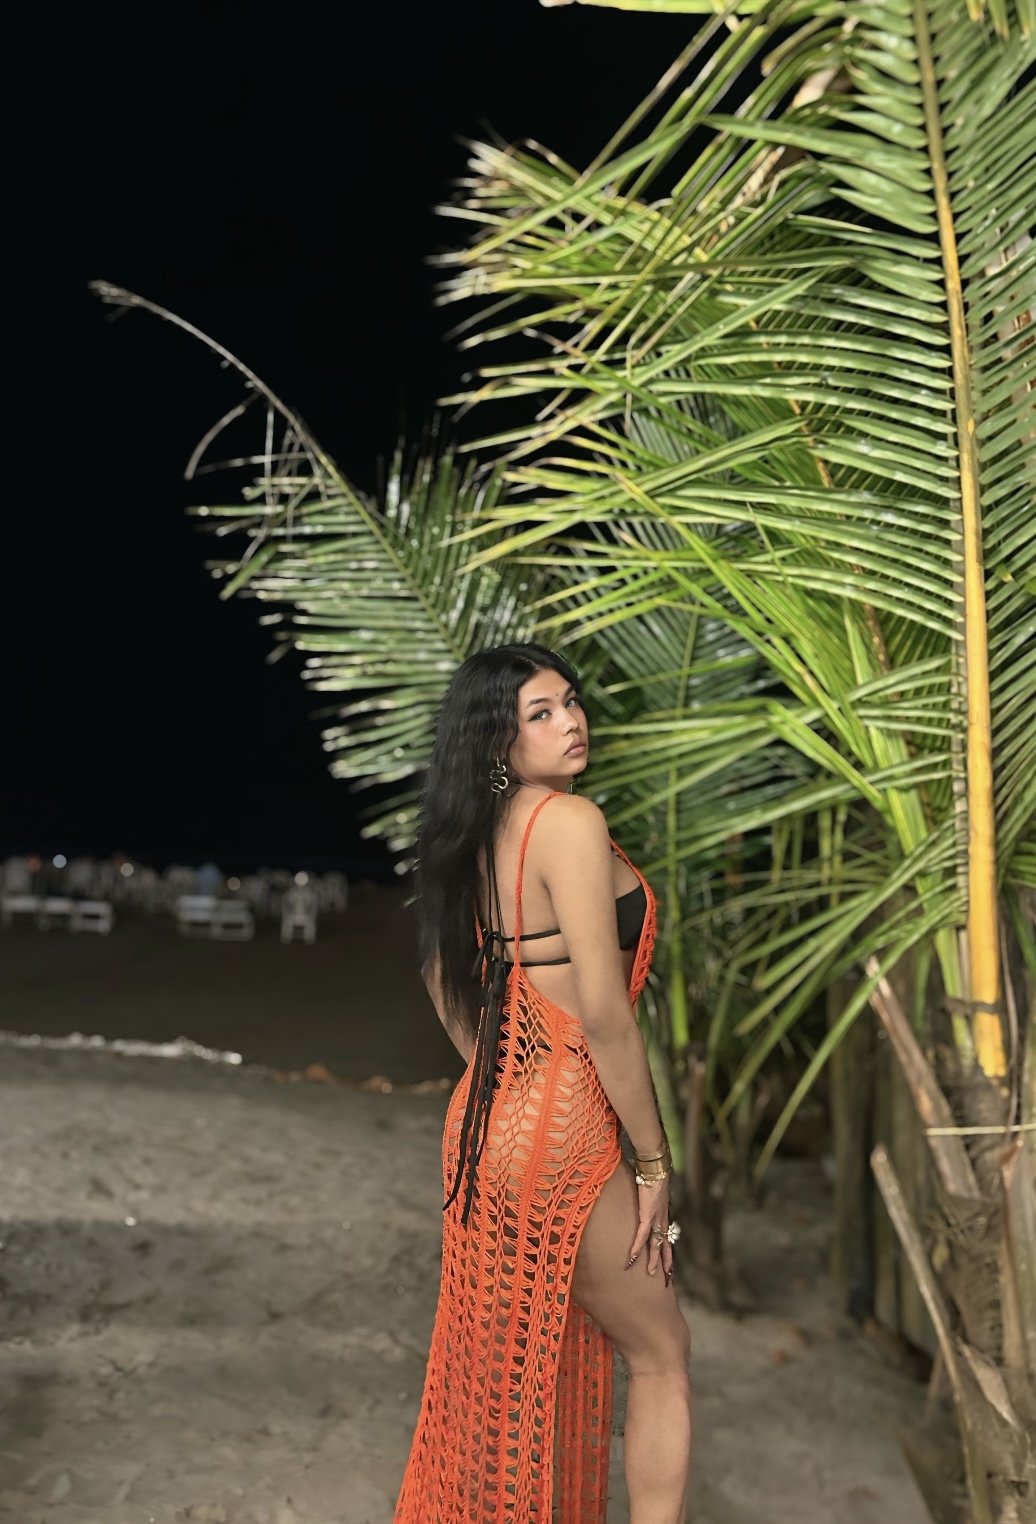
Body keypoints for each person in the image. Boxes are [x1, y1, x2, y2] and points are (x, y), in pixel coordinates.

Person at [394, 643, 692, 1524]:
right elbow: (604, 1015)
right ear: (499, 741)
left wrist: (507, 1073)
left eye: (570, 701)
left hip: (492, 1124)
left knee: (515, 1375)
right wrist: (652, 1163)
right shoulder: (568, 822)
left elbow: (440, 977)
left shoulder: (478, 831)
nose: (571, 722)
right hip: (566, 1129)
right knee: (662, 1354)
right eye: (541, 713)